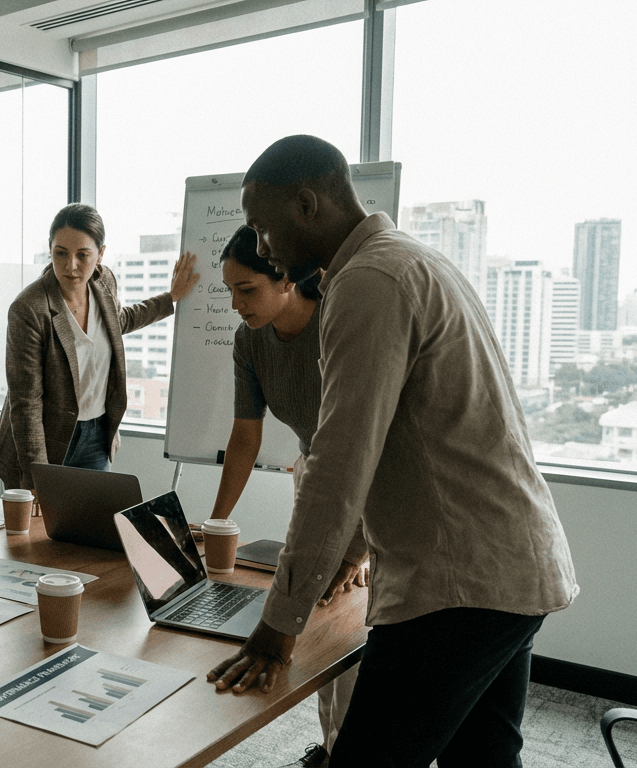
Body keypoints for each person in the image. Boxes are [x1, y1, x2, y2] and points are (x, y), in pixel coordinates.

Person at [206, 135, 578, 767]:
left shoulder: (368, 282)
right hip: (510, 565)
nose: (262, 246)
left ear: (306, 205)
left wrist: (278, 626)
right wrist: (347, 556)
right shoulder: (410, 261)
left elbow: (339, 465)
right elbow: (392, 448)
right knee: (484, 761)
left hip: (459, 586)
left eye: (263, 229)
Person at [208, 225, 363, 768]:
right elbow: (245, 437)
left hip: (370, 481)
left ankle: (351, 748)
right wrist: (215, 522)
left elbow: (368, 448)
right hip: (316, 476)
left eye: (246, 289)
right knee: (318, 612)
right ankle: (328, 749)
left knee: (353, 621)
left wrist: (356, 551)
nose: (234, 304)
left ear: (288, 280)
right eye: (228, 290)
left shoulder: (336, 324)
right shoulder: (249, 340)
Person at [0, 203, 197, 496]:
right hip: (43, 442)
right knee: (40, 535)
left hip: (96, 436)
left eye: (83, 255)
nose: (70, 266)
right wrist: (36, 478)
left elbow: (118, 321)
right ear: (50, 249)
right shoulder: (29, 308)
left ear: (100, 254)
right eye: (60, 253)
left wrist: (171, 298)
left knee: (92, 530)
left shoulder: (105, 281)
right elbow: (26, 404)